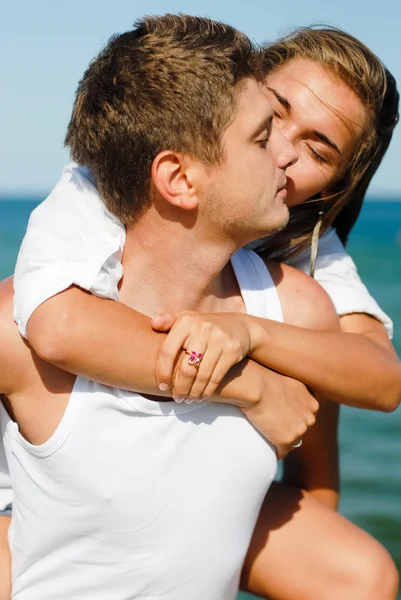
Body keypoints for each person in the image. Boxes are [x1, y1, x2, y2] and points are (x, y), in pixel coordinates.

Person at [1, 24, 400, 600]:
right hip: (27, 498)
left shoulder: (305, 254)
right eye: (271, 120)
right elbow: (58, 326)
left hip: (194, 502)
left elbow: (377, 381)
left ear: (332, 188)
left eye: (317, 150)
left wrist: (249, 332)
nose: (285, 152)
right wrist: (250, 384)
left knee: (358, 572)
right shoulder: (93, 198)